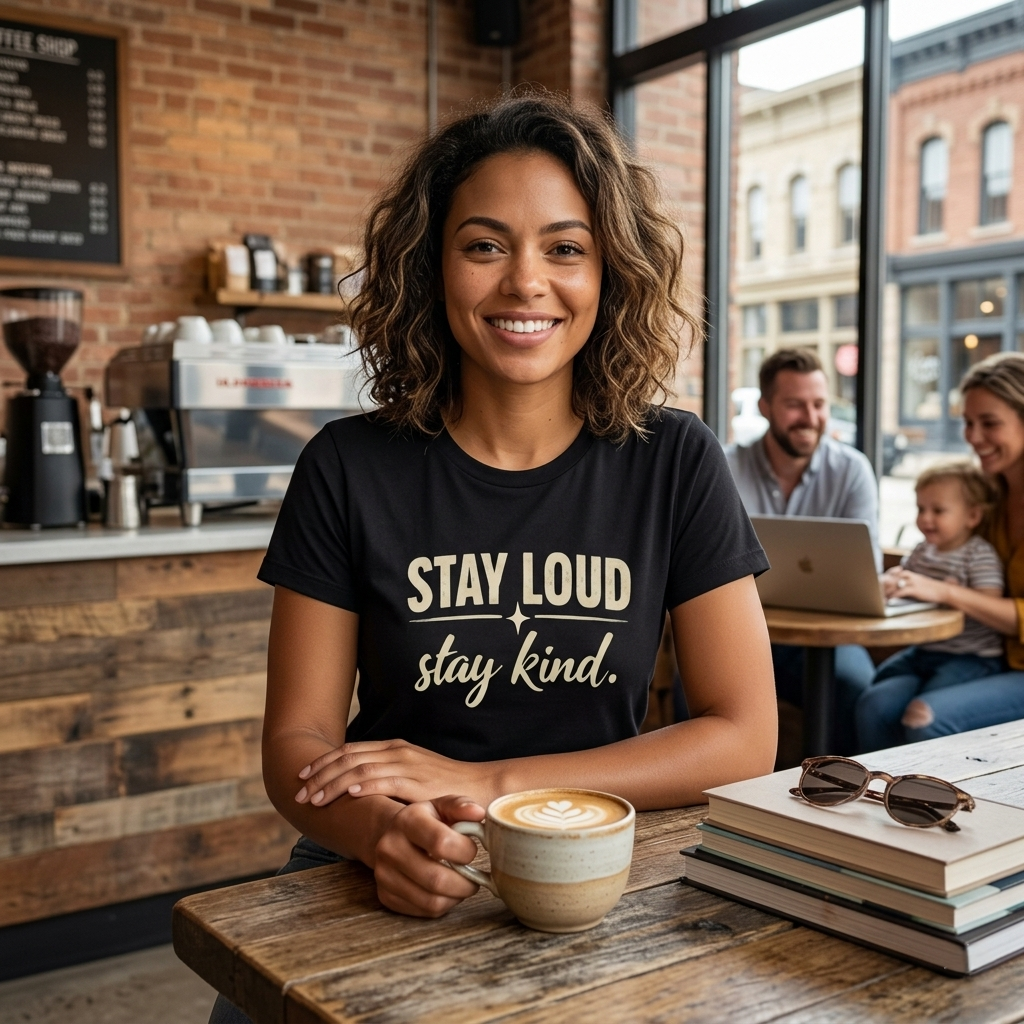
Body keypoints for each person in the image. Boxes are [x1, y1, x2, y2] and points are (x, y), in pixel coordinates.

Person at [209, 93, 776, 1023]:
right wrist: (378, 832)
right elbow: (296, 745)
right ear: (431, 266)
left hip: (595, 859)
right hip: (377, 854)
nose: (525, 282)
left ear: (610, 272)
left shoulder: (674, 460)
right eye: (483, 246)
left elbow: (745, 735)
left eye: (565, 248)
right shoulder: (347, 466)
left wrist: (489, 785)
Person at [724, 348, 878, 753]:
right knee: (698, 688)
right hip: (739, 634)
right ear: (765, 407)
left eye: (819, 404)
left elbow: (869, 570)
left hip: (830, 639)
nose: (810, 418)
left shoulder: (852, 471)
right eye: (795, 405)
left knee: (856, 687)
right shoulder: (724, 468)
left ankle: (838, 788)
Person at [880, 351, 1024, 741]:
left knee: (928, 718)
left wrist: (945, 592)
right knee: (876, 705)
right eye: (968, 422)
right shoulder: (986, 495)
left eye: (989, 423)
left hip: (1005, 666)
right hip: (982, 657)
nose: (973, 437)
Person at [856, 462, 1005, 751]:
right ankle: (875, 772)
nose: (925, 519)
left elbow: (990, 602)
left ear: (973, 516)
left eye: (938, 511)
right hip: (924, 652)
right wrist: (889, 583)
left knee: (926, 703)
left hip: (971, 658)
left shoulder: (979, 555)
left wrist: (954, 594)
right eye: (920, 509)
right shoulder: (921, 551)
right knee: (872, 701)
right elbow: (901, 581)